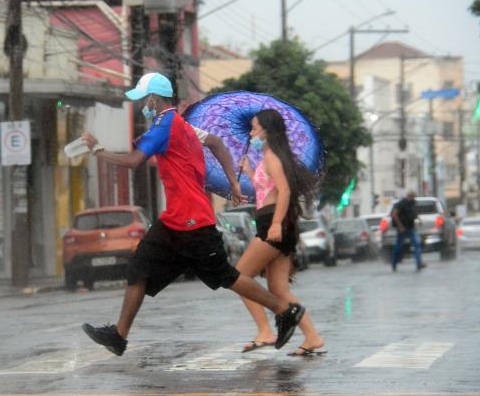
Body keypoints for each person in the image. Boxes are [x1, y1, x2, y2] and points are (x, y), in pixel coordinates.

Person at [80, 73, 305, 356]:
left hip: (193, 221)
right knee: (138, 269)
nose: (142, 107)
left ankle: (285, 309)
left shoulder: (165, 124)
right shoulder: (182, 125)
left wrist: (98, 150)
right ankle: (118, 336)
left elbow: (135, 161)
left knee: (225, 275)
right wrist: (233, 182)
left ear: (154, 99)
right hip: (174, 220)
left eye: (144, 100)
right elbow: (216, 143)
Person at [236, 110, 326, 356]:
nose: (252, 133)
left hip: (274, 224)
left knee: (238, 277)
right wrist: (250, 173)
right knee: (279, 289)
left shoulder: (273, 156)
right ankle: (313, 337)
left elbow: (284, 191)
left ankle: (265, 330)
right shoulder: (268, 156)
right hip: (273, 222)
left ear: (267, 130)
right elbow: (268, 191)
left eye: (255, 128)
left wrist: (276, 223)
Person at [391, 191, 425, 272]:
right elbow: (394, 214)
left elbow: (413, 212)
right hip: (402, 229)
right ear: (408, 196)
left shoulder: (412, 203)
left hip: (411, 228)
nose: (413, 198)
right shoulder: (401, 203)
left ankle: (419, 264)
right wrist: (400, 226)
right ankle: (394, 263)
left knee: (417, 244)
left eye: (414, 196)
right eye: (412, 196)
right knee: (399, 247)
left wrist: (418, 219)